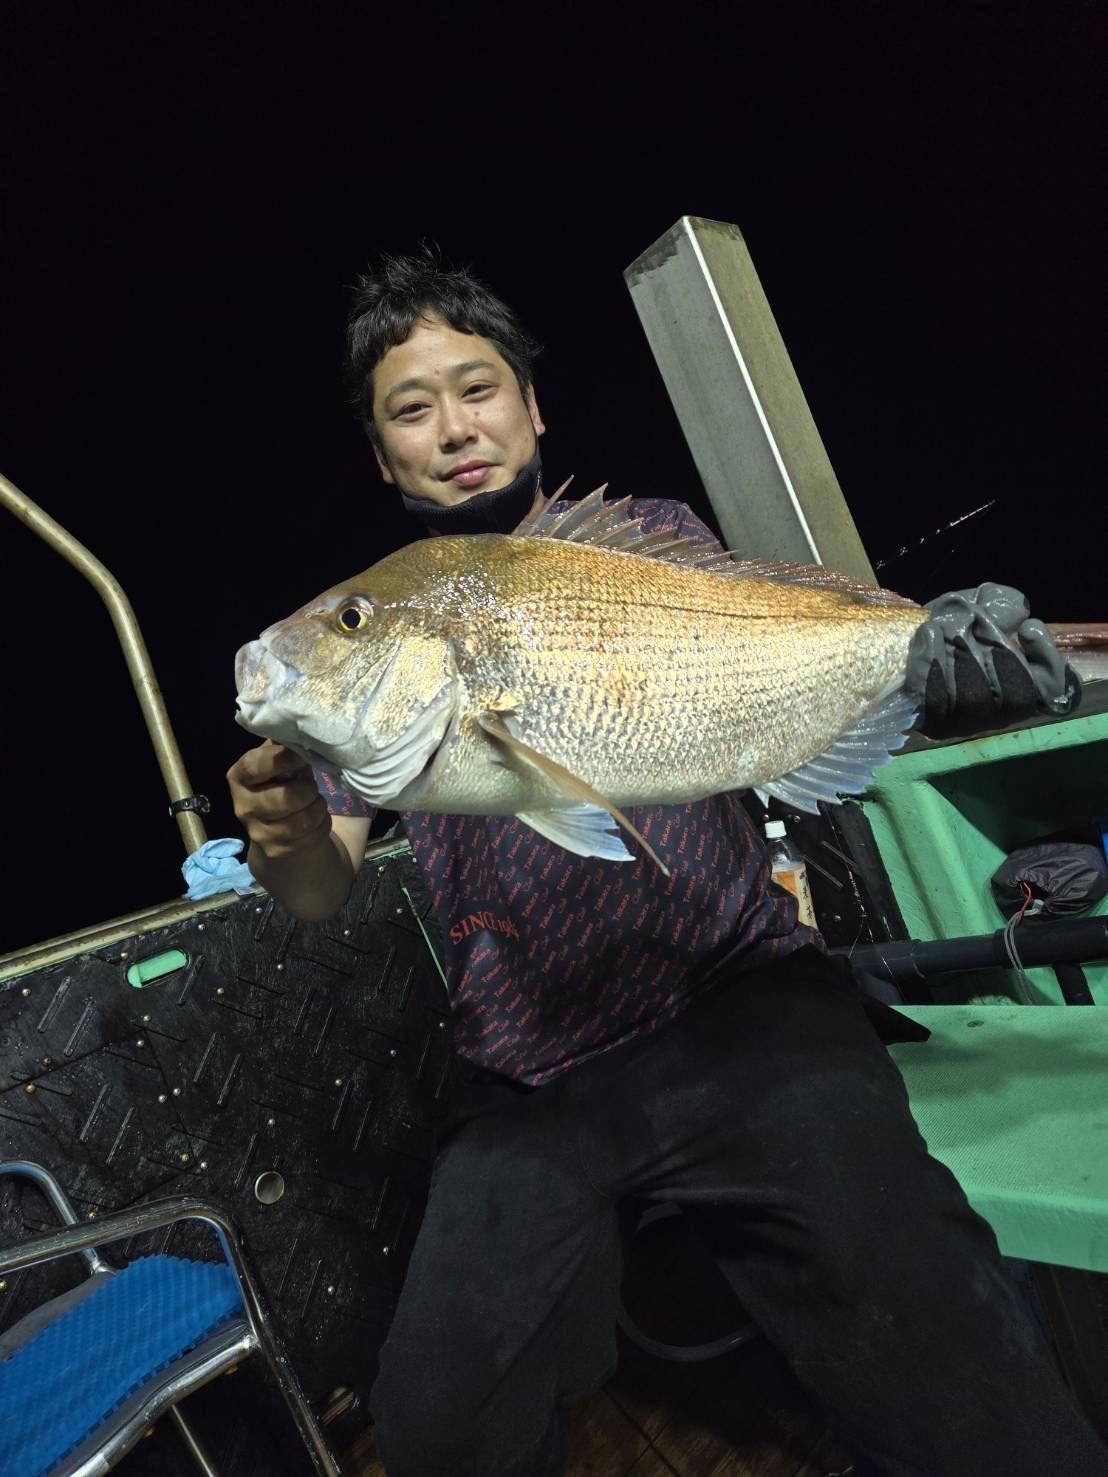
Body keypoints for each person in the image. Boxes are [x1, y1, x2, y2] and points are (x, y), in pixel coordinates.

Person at [226, 253, 1104, 1476]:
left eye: (476, 389)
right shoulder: (379, 673)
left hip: (738, 1000)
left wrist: (922, 648)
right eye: (410, 411)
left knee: (947, 1348)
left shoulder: (651, 544)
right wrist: (280, 840)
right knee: (435, 1427)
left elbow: (795, 656)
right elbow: (321, 888)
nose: (453, 429)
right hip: (529, 1073)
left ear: (532, 407)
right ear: (383, 458)